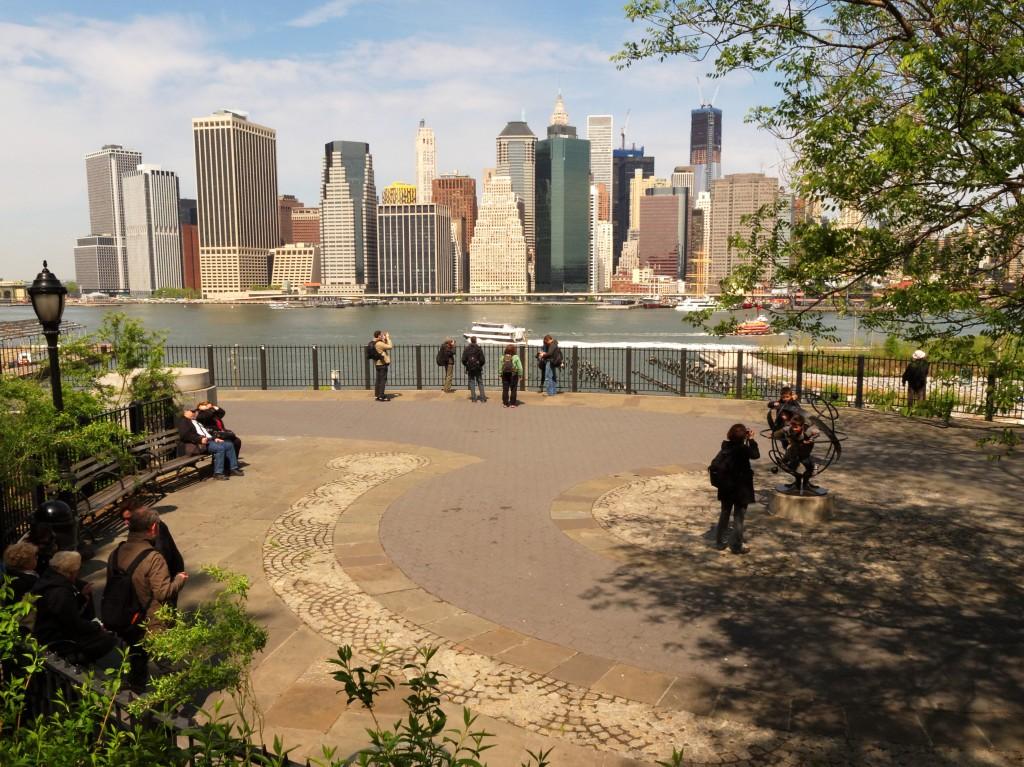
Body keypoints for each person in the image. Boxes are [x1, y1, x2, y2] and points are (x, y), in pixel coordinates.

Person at [107, 507, 188, 689]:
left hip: (127, 619)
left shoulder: (115, 553)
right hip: (152, 621)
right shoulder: (153, 558)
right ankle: (171, 707)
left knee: (136, 658)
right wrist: (179, 579)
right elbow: (163, 592)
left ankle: (135, 694)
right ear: (153, 528)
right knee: (169, 666)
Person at [32, 551, 118, 665]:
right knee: (108, 639)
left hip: (48, 631)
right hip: (55, 638)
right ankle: (78, 661)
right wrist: (97, 626)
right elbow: (72, 623)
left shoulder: (49, 578)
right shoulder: (61, 592)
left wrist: (81, 598)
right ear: (71, 572)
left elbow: (63, 612)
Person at [714, 424, 760, 554]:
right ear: (744, 436)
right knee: (739, 517)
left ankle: (719, 542)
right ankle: (736, 545)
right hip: (741, 488)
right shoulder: (744, 449)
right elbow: (756, 455)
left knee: (724, 513)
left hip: (726, 487)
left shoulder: (725, 447)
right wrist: (751, 440)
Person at [176, 405, 242, 480]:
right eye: (192, 411)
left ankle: (233, 468)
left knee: (229, 445)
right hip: (197, 445)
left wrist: (214, 438)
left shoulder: (194, 420)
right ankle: (218, 473)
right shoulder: (184, 421)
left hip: (209, 440)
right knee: (219, 448)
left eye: (194, 411)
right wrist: (199, 439)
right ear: (185, 412)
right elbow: (185, 435)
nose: (194, 412)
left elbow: (205, 432)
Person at [773, 412, 818, 493]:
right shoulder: (788, 428)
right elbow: (777, 434)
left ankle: (805, 485)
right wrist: (774, 435)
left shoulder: (809, 430)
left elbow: (817, 432)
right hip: (793, 452)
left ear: (802, 425)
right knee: (792, 467)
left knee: (809, 468)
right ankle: (796, 484)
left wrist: (811, 439)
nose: (794, 428)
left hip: (804, 453)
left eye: (796, 427)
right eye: (792, 426)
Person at [462, 336, 487, 403]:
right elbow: (483, 360)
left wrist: (467, 365)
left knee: (472, 382)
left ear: (470, 341)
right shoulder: (479, 349)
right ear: (476, 341)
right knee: (480, 382)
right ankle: (483, 398)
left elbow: (463, 360)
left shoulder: (467, 349)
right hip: (478, 368)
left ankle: (473, 398)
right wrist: (480, 365)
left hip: (470, 368)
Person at [499, 344, 524, 408]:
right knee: (513, 389)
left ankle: (505, 403)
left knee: (505, 389)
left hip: (504, 375)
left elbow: (500, 367)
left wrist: (500, 374)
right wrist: (520, 375)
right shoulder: (516, 357)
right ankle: (512, 404)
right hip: (513, 375)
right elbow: (520, 367)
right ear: (514, 350)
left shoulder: (502, 357)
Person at [373, 330, 393, 402]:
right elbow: (390, 347)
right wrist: (388, 338)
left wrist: (384, 339)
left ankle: (377, 395)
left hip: (377, 364)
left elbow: (384, 346)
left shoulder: (374, 342)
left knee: (378, 380)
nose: (382, 336)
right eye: (381, 335)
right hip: (382, 364)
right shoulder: (379, 344)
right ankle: (381, 396)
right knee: (382, 381)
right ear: (378, 336)